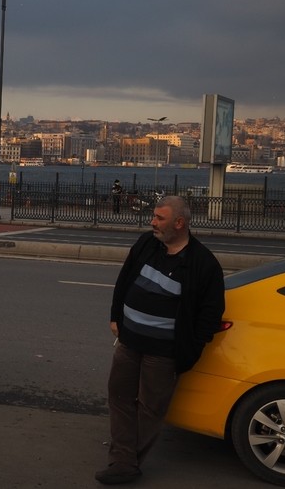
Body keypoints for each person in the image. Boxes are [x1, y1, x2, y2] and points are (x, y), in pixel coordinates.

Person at [96, 196, 225, 485]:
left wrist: (190, 351)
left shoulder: (203, 263)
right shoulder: (146, 244)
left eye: (159, 218)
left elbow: (210, 314)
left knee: (150, 409)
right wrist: (116, 317)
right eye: (153, 216)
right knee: (119, 398)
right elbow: (125, 279)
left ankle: (125, 461)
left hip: (164, 353)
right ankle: (123, 457)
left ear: (179, 223)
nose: (152, 222)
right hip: (129, 342)